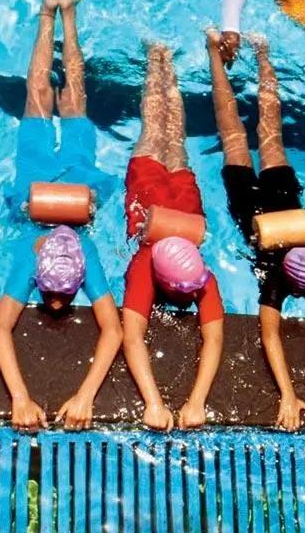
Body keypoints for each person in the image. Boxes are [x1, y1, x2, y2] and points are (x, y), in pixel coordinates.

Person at [206, 29, 305, 432]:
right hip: (250, 212)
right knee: (235, 138)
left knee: (268, 136)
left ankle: (262, 52)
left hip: (285, 201)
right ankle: (215, 52)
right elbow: (272, 335)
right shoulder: (281, 280)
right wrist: (293, 394)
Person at [0, 0, 122, 433]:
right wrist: (37, 397)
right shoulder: (80, 257)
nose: (60, 303)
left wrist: (28, 398)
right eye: (55, 294)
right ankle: (60, 14)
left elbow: (0, 329)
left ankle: (56, 12)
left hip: (39, 181)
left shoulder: (38, 254)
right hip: (71, 182)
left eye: (56, 294)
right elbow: (113, 330)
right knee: (66, 98)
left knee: (45, 96)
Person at [120, 43, 225, 433]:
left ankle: (159, 60)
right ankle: (160, 60)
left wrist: (187, 402)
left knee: (168, 135)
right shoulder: (148, 267)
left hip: (182, 209)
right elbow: (132, 338)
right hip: (159, 203)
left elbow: (134, 336)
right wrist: (159, 402)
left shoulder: (198, 275)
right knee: (166, 133)